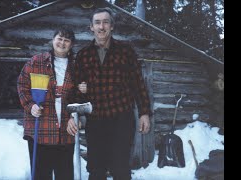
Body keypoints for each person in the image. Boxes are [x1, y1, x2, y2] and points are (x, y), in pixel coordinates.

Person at [67, 7, 152, 180]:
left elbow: (138, 83)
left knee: (120, 168)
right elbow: (77, 89)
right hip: (96, 120)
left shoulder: (125, 51)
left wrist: (144, 112)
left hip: (121, 118)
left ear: (112, 26)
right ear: (91, 27)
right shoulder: (83, 55)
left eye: (105, 22)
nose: (101, 26)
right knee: (96, 169)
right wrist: (72, 115)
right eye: (97, 22)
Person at [17, 27, 76, 180]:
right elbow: (22, 85)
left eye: (67, 40)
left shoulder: (76, 66)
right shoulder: (37, 61)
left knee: (65, 175)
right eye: (59, 38)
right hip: (40, 130)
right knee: (41, 176)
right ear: (53, 40)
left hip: (65, 131)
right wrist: (31, 106)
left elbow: (80, 96)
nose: (62, 43)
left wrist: (75, 116)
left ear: (71, 45)